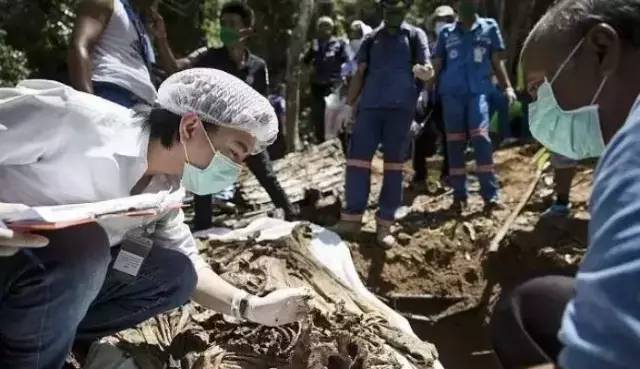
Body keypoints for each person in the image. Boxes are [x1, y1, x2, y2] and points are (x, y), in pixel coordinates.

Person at [0, 69, 311, 369]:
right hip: (12, 260)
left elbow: (190, 263)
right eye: (234, 152)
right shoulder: (70, 118)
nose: (235, 170)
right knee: (87, 245)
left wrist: (249, 306)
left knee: (175, 274)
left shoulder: (165, 190)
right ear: (190, 128)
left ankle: (49, 333)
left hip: (54, 282)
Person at [490, 1, 640, 368]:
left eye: (540, 85)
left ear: (601, 50)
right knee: (536, 302)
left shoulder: (632, 153)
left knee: (516, 317)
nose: (537, 105)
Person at [154, 1, 299, 228]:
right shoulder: (209, 57)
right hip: (214, 135)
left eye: (232, 24)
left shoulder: (258, 66)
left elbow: (263, 105)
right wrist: (161, 39)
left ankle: (293, 216)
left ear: (247, 30)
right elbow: (175, 69)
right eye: (223, 24)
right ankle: (203, 228)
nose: (226, 29)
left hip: (245, 134)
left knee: (267, 175)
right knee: (204, 175)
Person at [331, 0, 433, 249]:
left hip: (400, 110)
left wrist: (425, 73)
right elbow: (359, 72)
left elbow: (428, 69)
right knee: (357, 161)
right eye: (389, 10)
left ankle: (385, 224)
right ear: (383, 11)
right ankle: (352, 219)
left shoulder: (415, 35)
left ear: (405, 11)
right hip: (370, 109)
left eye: (398, 11)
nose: (394, 15)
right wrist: (348, 104)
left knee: (394, 167)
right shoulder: (372, 38)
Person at [431, 0, 517, 213]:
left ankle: (490, 195)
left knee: (480, 136)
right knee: (455, 143)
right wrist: (424, 85)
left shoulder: (489, 27)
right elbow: (437, 65)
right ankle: (459, 196)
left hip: (478, 91)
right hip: (451, 93)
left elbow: (497, 61)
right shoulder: (446, 33)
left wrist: (507, 87)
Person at [69, 0, 158, 108]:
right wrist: (88, 103)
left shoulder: (140, 26)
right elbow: (79, 46)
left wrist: (162, 39)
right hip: (113, 92)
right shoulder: (107, 2)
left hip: (144, 105)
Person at [411, 5, 456, 191]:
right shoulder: (427, 46)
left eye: (446, 20)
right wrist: (421, 93)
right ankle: (419, 175)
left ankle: (448, 175)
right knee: (421, 136)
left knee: (449, 137)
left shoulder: (457, 46)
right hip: (428, 96)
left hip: (449, 96)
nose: (442, 24)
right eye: (439, 21)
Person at [303, 16, 350, 143]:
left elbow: (347, 62)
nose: (324, 29)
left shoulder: (339, 44)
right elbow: (305, 61)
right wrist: (313, 50)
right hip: (317, 85)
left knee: (334, 117)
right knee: (318, 116)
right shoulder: (315, 43)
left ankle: (339, 144)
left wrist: (343, 77)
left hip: (333, 86)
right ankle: (321, 143)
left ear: (332, 28)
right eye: (321, 26)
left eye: (327, 26)